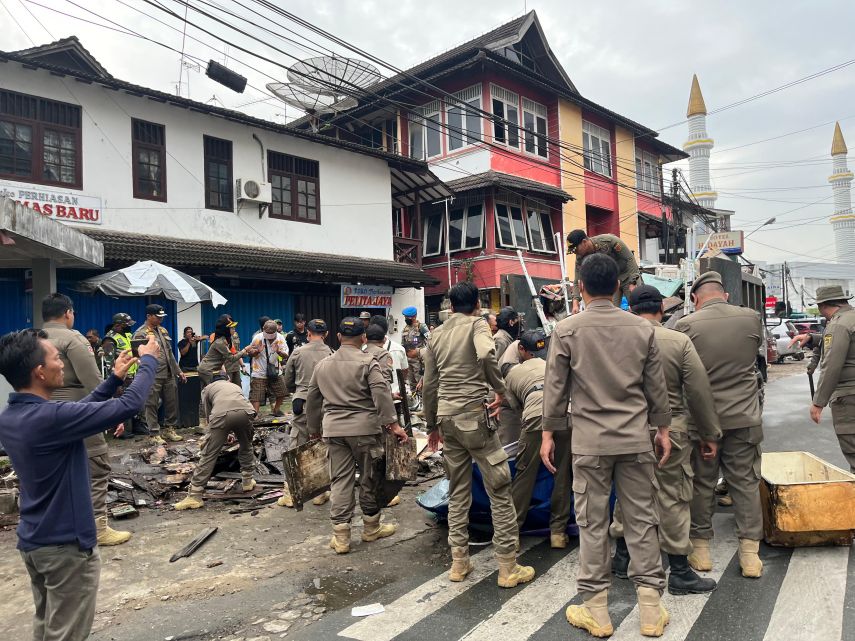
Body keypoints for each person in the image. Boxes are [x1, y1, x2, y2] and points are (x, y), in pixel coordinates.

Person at [541, 253, 672, 638]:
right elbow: (656, 388)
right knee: (642, 520)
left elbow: (555, 388)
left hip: (590, 443)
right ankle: (651, 610)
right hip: (635, 440)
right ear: (618, 286)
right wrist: (662, 429)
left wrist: (548, 434)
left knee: (592, 523)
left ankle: (597, 611)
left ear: (581, 287)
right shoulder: (642, 330)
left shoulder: (566, 330)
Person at [0, 329, 158, 641]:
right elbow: (129, 404)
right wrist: (150, 361)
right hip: (66, 547)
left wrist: (112, 380)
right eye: (56, 358)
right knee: (67, 635)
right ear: (40, 372)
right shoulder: (50, 418)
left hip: (34, 542)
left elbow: (78, 412)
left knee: (48, 628)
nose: (62, 363)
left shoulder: (12, 417)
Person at [609, 285, 722, 596]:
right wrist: (709, 433)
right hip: (670, 430)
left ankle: (621, 558)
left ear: (630, 308)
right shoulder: (678, 341)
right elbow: (699, 392)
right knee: (673, 497)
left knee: (628, 492)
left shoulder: (616, 340)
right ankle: (680, 571)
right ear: (661, 309)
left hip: (625, 429)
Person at [421, 282, 535, 589]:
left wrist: (431, 425)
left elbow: (429, 384)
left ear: (451, 306)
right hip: (474, 415)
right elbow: (487, 355)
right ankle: (508, 568)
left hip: (447, 418)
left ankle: (459, 563)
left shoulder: (437, 334)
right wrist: (499, 389)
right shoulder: (477, 325)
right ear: (476, 305)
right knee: (499, 488)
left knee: (458, 491)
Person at [674, 271, 765, 579]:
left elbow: (685, 380)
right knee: (746, 483)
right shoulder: (751, 318)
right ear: (724, 295)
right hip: (745, 418)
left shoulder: (686, 325)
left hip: (703, 421)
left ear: (696, 299)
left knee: (702, 484)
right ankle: (750, 554)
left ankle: (701, 549)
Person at [306, 318, 408, 554]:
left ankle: (341, 537)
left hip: (334, 431)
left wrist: (314, 429)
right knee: (368, 478)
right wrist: (393, 425)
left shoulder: (323, 364)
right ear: (363, 339)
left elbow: (313, 399)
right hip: (365, 430)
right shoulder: (368, 362)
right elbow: (381, 394)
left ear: (339, 337)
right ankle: (371, 527)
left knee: (340, 480)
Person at [40, 293, 133, 547]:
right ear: (68, 312)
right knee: (96, 466)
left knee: (55, 469)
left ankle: (60, 525)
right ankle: (96, 527)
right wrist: (111, 413)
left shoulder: (33, 338)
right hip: (77, 412)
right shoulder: (74, 339)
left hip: (42, 414)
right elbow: (93, 380)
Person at [505, 329, 572, 549]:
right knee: (563, 474)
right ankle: (558, 533)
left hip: (535, 418)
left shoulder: (514, 372)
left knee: (525, 474)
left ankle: (512, 534)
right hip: (566, 417)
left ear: (522, 350)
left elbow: (516, 409)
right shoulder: (554, 367)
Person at [791, 285, 855, 471]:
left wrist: (818, 402)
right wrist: (814, 339)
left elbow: (831, 366)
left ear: (823, 305)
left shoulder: (838, 324)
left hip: (849, 398)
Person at [174, 372, 258, 510]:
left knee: (209, 454)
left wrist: (221, 433)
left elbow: (210, 416)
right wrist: (228, 431)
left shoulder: (207, 389)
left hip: (220, 416)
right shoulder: (234, 386)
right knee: (246, 445)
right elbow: (237, 405)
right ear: (228, 379)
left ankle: (195, 495)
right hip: (247, 412)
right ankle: (247, 480)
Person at [279, 318, 334, 508]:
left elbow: (287, 380)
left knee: (297, 444)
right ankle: (322, 491)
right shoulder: (331, 353)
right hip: (326, 403)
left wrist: (299, 390)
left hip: (302, 402)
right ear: (326, 334)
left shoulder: (298, 352)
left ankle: (289, 493)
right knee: (322, 443)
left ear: (308, 333)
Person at [134, 304, 186, 444]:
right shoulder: (141, 333)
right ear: (149, 316)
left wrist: (178, 371)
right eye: (158, 317)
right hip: (153, 373)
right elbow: (138, 357)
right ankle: (154, 433)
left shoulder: (163, 331)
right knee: (151, 403)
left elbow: (170, 353)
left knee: (172, 402)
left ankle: (170, 429)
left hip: (168, 372)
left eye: (162, 317)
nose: (160, 319)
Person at [567, 229, 641, 313]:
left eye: (576, 250)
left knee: (637, 306)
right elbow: (577, 280)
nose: (575, 253)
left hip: (627, 274)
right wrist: (575, 302)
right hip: (612, 280)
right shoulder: (580, 257)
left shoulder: (609, 241)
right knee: (608, 310)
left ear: (584, 242)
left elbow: (629, 259)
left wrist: (633, 282)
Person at [198, 315, 258, 386]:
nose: (234, 329)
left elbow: (234, 353)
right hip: (206, 370)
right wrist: (245, 349)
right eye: (232, 328)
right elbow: (232, 358)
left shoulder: (226, 339)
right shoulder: (220, 342)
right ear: (225, 329)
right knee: (212, 391)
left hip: (213, 369)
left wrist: (248, 353)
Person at [493, 307, 523, 445]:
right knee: (505, 433)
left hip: (501, 393)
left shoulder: (506, 338)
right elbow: (496, 368)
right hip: (498, 394)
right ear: (511, 322)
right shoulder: (501, 340)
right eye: (517, 320)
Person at [249, 319, 289, 416]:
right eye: (268, 334)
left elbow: (286, 355)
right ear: (263, 329)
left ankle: (276, 410)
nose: (270, 337)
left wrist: (279, 351)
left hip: (275, 370)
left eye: (272, 334)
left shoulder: (280, 338)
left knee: (282, 392)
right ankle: (255, 414)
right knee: (256, 396)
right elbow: (250, 354)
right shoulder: (257, 338)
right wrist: (257, 351)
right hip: (259, 371)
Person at [372, 314, 408, 397]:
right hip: (397, 395)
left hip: (373, 398)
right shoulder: (399, 348)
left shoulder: (364, 349)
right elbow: (405, 371)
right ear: (387, 328)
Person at [401, 306, 430, 390]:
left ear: (414, 316)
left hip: (418, 361)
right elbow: (403, 345)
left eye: (407, 317)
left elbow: (430, 340)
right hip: (408, 361)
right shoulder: (405, 329)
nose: (406, 318)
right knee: (412, 384)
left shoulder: (421, 327)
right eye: (405, 317)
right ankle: (415, 401)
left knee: (420, 383)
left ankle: (422, 401)